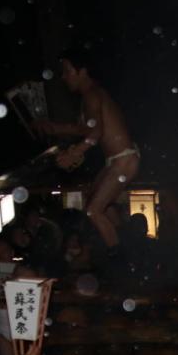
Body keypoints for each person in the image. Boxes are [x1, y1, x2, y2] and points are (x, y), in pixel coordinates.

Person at [50, 58, 140, 251]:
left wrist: (74, 153)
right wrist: (56, 128)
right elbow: (84, 129)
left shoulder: (92, 94)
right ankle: (126, 246)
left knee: (93, 211)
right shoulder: (90, 97)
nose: (63, 77)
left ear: (82, 71)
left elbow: (95, 133)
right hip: (117, 161)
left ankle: (121, 259)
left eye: (67, 71)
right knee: (94, 203)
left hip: (123, 159)